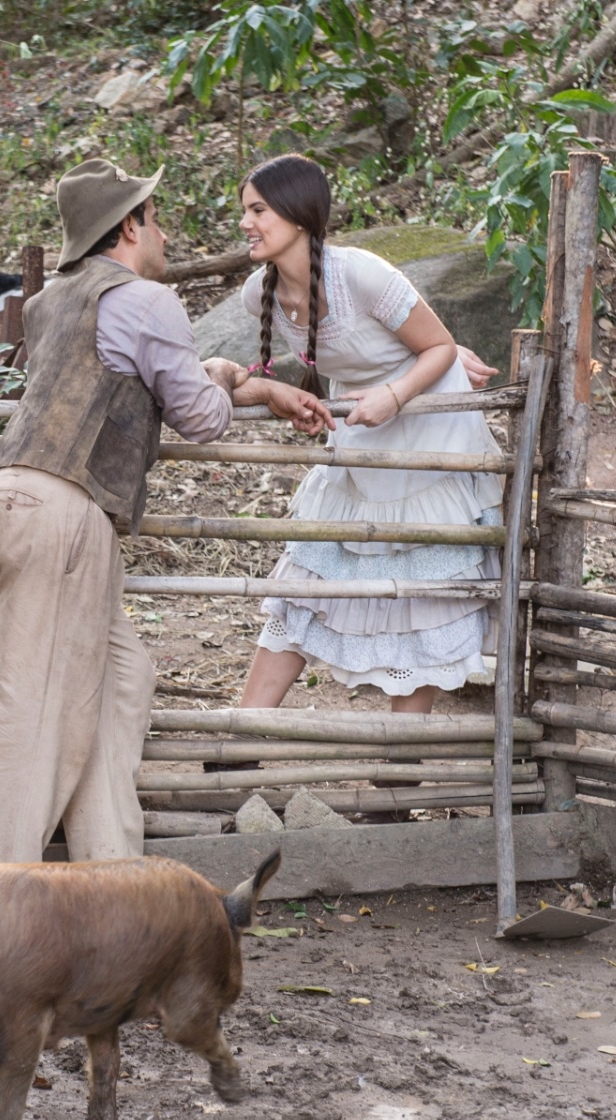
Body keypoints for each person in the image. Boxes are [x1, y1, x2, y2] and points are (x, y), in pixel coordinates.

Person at [0, 158, 334, 880]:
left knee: (123, 679)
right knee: (34, 719)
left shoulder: (53, 301)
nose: (163, 232)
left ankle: (113, 882)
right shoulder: (145, 300)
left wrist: (232, 379)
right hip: (66, 509)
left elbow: (127, 383)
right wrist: (226, 379)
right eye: (154, 218)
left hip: (17, 497)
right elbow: (198, 415)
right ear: (129, 228)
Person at [227, 154, 505, 820]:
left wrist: (395, 392)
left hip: (426, 430)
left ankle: (394, 783)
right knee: (307, 580)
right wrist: (300, 402)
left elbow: (440, 348)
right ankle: (233, 748)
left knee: (422, 595)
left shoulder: (363, 273)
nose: (246, 223)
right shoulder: (256, 293)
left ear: (299, 214)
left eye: (258, 210)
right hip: (360, 436)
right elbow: (303, 371)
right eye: (245, 210)